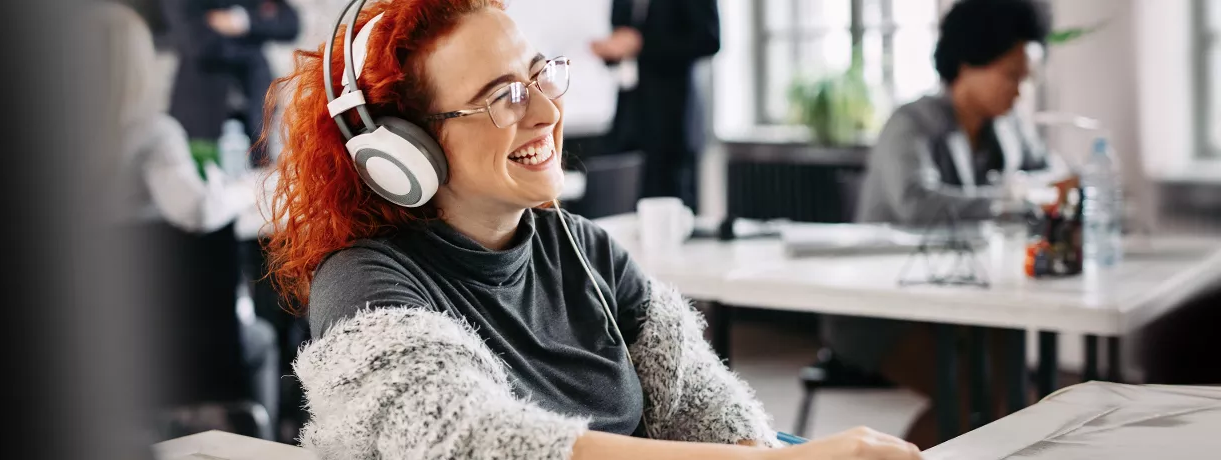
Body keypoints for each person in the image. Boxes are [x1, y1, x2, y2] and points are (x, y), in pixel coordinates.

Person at [263, 0, 921, 459]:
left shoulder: (587, 248)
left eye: (538, 76)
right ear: (404, 149)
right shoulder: (363, 284)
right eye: (504, 97)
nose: (549, 111)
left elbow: (713, 415)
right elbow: (470, 444)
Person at [826, 0, 1070, 449]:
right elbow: (919, 205)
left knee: (1012, 394)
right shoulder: (912, 123)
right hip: (886, 308)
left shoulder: (1008, 127)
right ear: (968, 62)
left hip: (968, 298)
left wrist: (1035, 189)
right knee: (967, 395)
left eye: (1025, 79)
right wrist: (1014, 198)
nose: (1018, 92)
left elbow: (1052, 175)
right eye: (1010, 75)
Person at [94, 1, 279, 438]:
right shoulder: (152, 136)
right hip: (177, 347)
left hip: (103, 343)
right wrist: (242, 189)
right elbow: (197, 212)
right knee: (264, 340)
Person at [596, 0, 720, 210]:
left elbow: (709, 39)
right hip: (629, 115)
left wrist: (642, 44)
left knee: (671, 200)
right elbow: (622, 38)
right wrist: (612, 50)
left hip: (673, 116)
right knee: (625, 200)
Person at [159, 0, 300, 167]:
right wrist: (254, 40)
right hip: (202, 116)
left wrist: (241, 21)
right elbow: (196, 42)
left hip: (255, 116)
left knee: (258, 183)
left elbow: (290, 24)